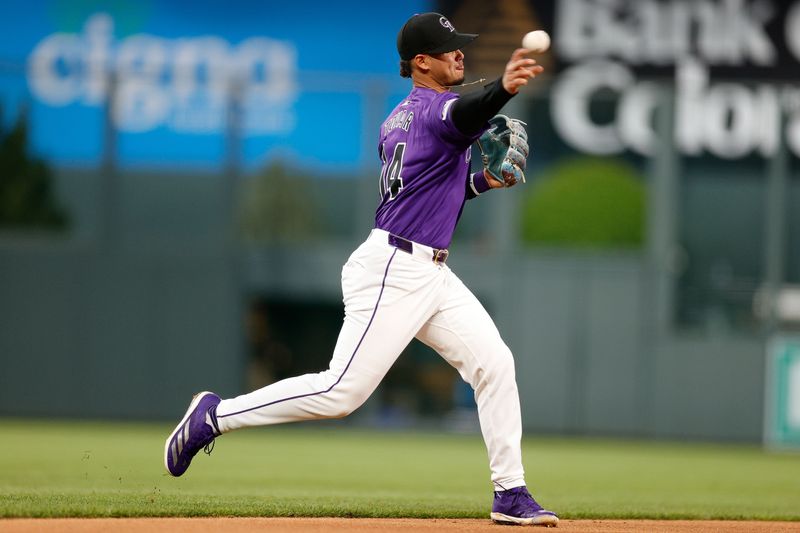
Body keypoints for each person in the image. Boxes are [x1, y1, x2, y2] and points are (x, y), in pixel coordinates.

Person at [164, 12, 558, 527]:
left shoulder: (400, 118)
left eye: (460, 47)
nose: (459, 53)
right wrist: (502, 89)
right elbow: (466, 113)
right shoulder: (439, 111)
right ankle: (215, 416)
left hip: (428, 268)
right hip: (395, 269)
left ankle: (510, 493)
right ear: (421, 62)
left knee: (495, 364)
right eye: (448, 49)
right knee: (340, 393)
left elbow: (431, 190)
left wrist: (484, 181)